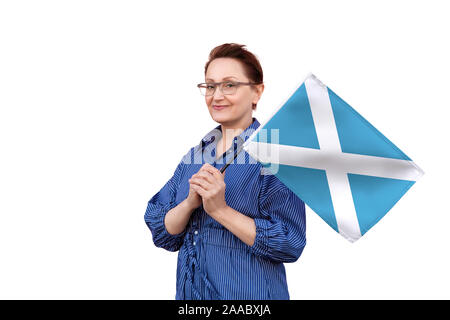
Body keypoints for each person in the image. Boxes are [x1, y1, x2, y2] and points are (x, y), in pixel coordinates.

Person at [144, 43, 306, 300]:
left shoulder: (274, 156)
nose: (216, 96)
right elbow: (162, 231)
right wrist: (188, 205)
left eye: (229, 85)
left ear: (257, 92)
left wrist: (220, 210)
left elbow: (289, 243)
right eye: (210, 86)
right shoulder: (194, 157)